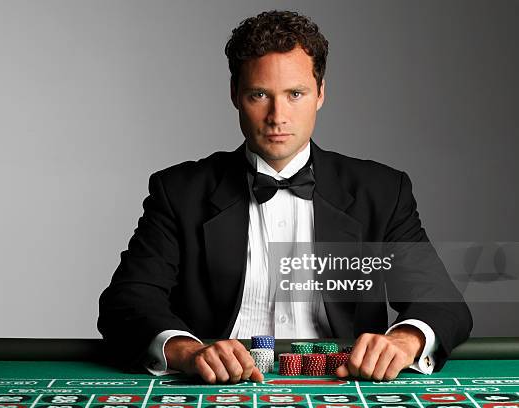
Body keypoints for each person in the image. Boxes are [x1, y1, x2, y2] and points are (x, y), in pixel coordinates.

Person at [98, 10, 472, 384]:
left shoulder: (382, 191)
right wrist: (189, 351)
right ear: (235, 95)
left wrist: (405, 340)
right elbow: (127, 303)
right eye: (259, 94)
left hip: (343, 385)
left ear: (321, 93)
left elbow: (442, 302)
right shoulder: (180, 192)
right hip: (218, 390)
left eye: (295, 94)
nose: (278, 116)